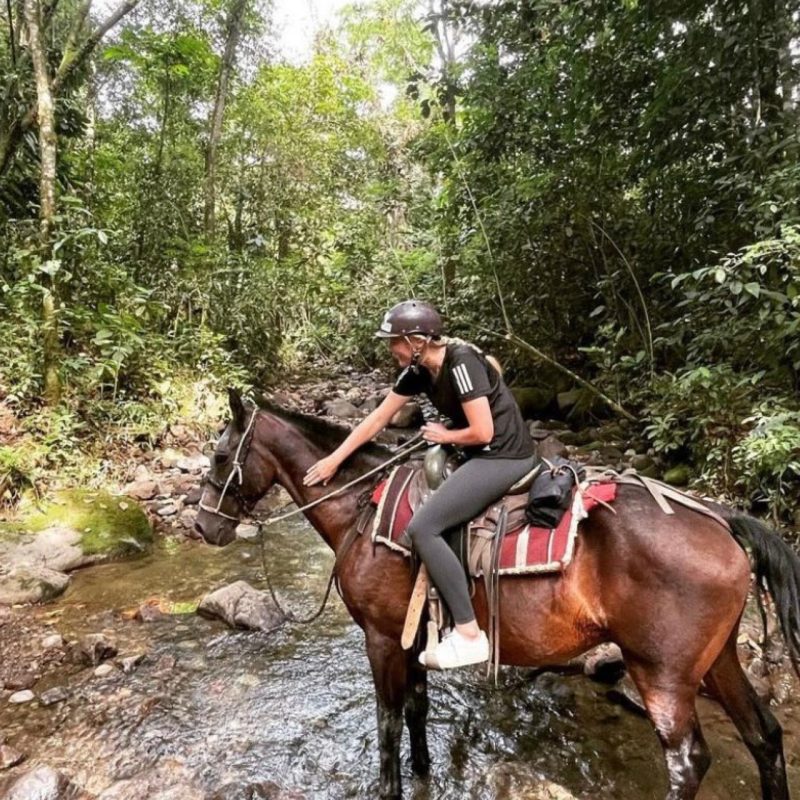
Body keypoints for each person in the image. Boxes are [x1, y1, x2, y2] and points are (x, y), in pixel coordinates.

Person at [303, 300, 537, 669]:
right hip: (474, 454)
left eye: (393, 341)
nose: (389, 349)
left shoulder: (462, 362)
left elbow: (483, 431)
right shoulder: (417, 370)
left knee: (424, 527)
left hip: (503, 456)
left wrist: (445, 435)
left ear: (416, 340)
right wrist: (334, 459)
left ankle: (469, 634)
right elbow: (379, 417)